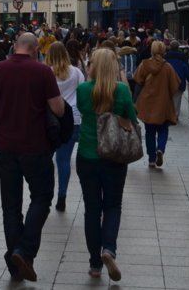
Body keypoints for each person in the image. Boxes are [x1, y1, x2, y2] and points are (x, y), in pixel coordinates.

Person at [0, 32, 65, 282]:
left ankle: (15, 265)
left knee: (11, 206)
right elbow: (59, 109)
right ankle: (24, 250)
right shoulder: (43, 72)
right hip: (35, 147)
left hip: (5, 147)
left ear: (15, 47)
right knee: (42, 197)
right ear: (36, 49)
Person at [74, 47, 136, 281]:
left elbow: (83, 111)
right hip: (114, 156)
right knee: (112, 205)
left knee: (92, 209)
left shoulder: (83, 90)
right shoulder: (122, 90)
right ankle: (108, 248)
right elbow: (132, 118)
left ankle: (94, 264)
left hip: (87, 155)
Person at [46, 41, 82, 213]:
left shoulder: (46, 72)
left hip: (50, 121)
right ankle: (62, 195)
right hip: (73, 119)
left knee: (46, 159)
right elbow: (82, 92)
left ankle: (45, 194)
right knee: (64, 160)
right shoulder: (76, 72)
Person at [132, 40, 180, 169]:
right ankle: (160, 149)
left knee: (149, 132)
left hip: (147, 103)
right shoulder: (168, 67)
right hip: (163, 102)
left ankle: (151, 159)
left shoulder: (144, 65)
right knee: (163, 128)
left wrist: (134, 101)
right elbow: (175, 87)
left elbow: (138, 83)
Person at [166, 40, 189, 122]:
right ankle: (175, 115)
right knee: (177, 98)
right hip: (180, 81)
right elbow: (186, 67)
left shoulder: (166, 56)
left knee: (169, 97)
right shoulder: (183, 56)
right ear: (178, 47)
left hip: (168, 80)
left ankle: (169, 114)